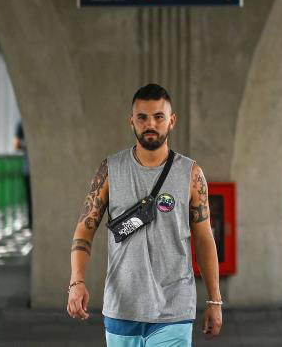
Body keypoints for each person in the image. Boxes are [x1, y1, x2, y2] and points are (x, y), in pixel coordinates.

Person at [67, 83, 223, 346]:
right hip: (122, 306)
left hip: (174, 308)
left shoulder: (191, 174)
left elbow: (204, 238)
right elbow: (84, 229)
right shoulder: (110, 170)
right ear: (132, 121)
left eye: (158, 116)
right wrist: (76, 281)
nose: (150, 123)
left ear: (171, 121)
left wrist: (214, 300)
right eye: (142, 117)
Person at [13, 119, 32, 228]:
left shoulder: (21, 122)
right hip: (33, 170)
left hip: (28, 169)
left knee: (30, 201)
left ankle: (32, 228)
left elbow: (16, 144)